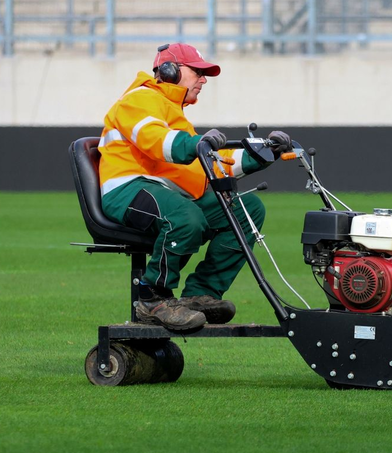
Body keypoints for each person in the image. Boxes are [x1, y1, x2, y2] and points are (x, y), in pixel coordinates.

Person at [97, 43, 293, 331]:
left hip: (163, 190)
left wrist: (263, 153)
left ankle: (201, 294)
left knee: (246, 209)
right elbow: (157, 141)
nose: (204, 80)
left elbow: (210, 163)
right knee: (184, 217)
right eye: (198, 72)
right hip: (127, 187)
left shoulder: (173, 110)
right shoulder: (138, 99)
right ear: (169, 71)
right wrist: (196, 143)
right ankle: (152, 298)